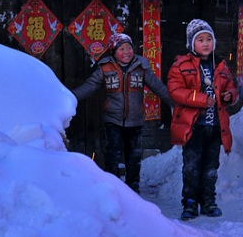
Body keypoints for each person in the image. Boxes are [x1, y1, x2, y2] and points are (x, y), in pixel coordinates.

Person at [72, 33, 172, 194]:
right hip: (112, 120)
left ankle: (133, 189)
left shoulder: (141, 67)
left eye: (129, 47)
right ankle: (112, 189)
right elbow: (89, 86)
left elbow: (158, 87)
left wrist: (176, 103)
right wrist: (70, 97)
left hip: (135, 120)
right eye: (122, 48)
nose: (127, 52)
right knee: (113, 155)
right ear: (113, 52)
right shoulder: (105, 68)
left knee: (134, 157)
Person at [168, 19, 238, 220]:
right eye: (200, 40)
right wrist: (200, 99)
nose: (206, 43)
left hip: (215, 127)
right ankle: (189, 202)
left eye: (209, 39)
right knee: (191, 166)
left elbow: (231, 88)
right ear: (192, 44)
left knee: (211, 167)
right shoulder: (181, 65)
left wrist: (229, 96)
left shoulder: (222, 65)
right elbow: (175, 90)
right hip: (193, 127)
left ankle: (208, 200)